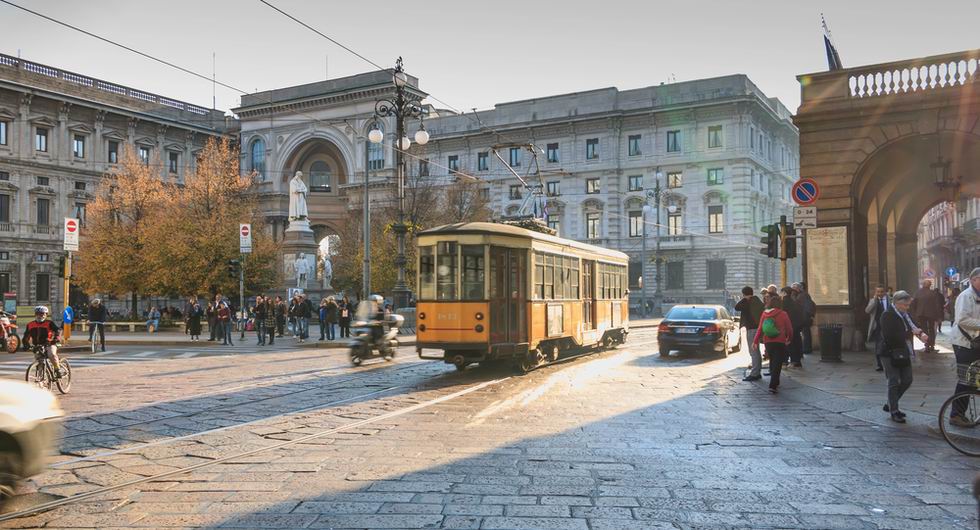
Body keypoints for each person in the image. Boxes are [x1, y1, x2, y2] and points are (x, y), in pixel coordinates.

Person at [878, 290, 928, 423]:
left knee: (907, 379)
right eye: (905, 305)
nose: (907, 308)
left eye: (908, 305)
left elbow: (914, 324)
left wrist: (920, 333)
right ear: (896, 303)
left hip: (903, 351)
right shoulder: (887, 315)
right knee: (893, 381)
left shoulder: (905, 314)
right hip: (889, 353)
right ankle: (894, 410)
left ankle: (890, 403)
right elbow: (890, 336)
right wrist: (910, 332)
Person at [950, 268, 980, 427]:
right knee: (965, 378)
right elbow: (961, 319)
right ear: (974, 280)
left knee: (973, 379)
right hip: (964, 343)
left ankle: (960, 413)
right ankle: (956, 415)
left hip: (975, 342)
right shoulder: (966, 296)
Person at [753, 296, 793, 394]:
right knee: (777, 363)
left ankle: (776, 381)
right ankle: (773, 385)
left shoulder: (764, 314)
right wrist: (789, 339)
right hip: (780, 341)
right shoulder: (783, 314)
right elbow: (789, 329)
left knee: (773, 360)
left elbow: (760, 329)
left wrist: (755, 341)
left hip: (768, 342)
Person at [23, 306, 66, 378]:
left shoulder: (49, 323)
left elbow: (58, 331)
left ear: (46, 315)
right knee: (39, 361)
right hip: (37, 345)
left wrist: (56, 338)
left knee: (51, 354)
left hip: (50, 343)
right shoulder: (30, 324)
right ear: (35, 314)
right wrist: (26, 345)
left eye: (42, 314)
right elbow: (26, 336)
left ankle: (58, 370)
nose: (40, 316)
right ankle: (41, 380)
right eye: (38, 314)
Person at [735, 286, 765, 382]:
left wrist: (743, 299)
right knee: (756, 351)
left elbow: (736, 307)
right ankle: (757, 372)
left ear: (744, 294)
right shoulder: (757, 301)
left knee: (753, 351)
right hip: (757, 328)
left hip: (752, 329)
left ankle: (755, 373)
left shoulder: (747, 302)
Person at [911, 279, 944, 353]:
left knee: (924, 328)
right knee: (931, 329)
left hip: (921, 314)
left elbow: (913, 304)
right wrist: (939, 316)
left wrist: (914, 314)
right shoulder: (933, 293)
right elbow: (937, 305)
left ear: (923, 285)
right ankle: (931, 344)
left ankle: (926, 344)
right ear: (930, 285)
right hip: (931, 314)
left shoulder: (917, 293)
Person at [866, 285, 892, 372]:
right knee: (878, 345)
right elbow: (867, 311)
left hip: (888, 326)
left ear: (885, 292)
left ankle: (890, 363)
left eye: (881, 292)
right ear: (875, 292)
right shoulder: (872, 301)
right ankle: (879, 364)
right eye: (878, 292)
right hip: (878, 326)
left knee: (889, 344)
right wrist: (874, 301)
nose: (880, 293)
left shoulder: (890, 300)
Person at [781, 286, 805, 368]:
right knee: (796, 343)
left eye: (782, 292)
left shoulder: (784, 301)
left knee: (790, 344)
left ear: (784, 293)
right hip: (796, 326)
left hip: (789, 326)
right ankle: (796, 361)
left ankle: (793, 361)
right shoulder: (794, 301)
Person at [794, 282, 817, 355]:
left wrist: (808, 315)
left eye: (795, 288)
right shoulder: (803, 295)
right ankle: (807, 348)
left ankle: (807, 348)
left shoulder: (802, 296)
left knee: (806, 333)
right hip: (805, 317)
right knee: (806, 333)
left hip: (805, 317)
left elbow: (807, 307)